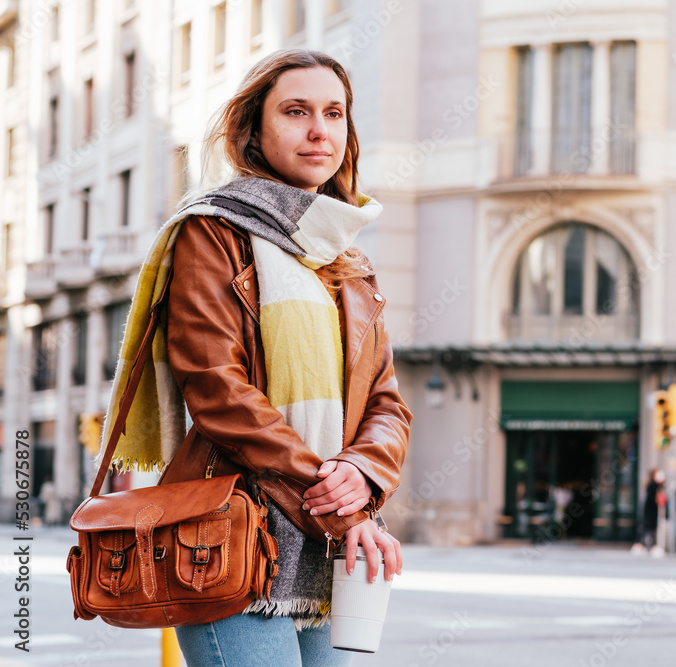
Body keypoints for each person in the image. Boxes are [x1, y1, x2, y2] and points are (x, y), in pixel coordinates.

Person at [99, 49, 411, 666]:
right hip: (227, 540)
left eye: (334, 113)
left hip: (330, 554)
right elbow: (217, 388)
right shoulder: (212, 232)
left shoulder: (349, 261)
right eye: (296, 111)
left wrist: (365, 474)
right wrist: (337, 500)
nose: (319, 130)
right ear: (253, 130)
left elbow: (386, 401)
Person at [639, 469, 666, 551]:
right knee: (649, 528)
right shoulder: (653, 485)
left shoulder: (657, 485)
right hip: (651, 511)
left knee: (651, 528)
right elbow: (654, 499)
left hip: (654, 511)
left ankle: (650, 544)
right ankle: (648, 544)